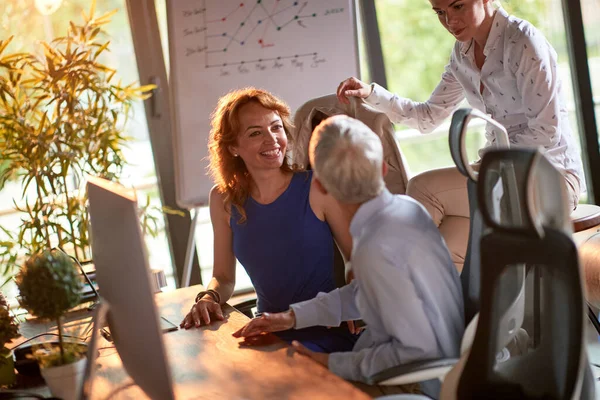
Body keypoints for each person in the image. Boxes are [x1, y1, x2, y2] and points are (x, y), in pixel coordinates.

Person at [337, 0, 584, 269]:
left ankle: (388, 282)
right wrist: (372, 94)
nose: (449, 21)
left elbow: (545, 133)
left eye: (458, 6)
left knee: (423, 189)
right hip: (500, 177)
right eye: (440, 12)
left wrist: (484, 169)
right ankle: (439, 305)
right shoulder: (462, 54)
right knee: (446, 249)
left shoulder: (523, 41)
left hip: (549, 178)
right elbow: (428, 117)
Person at [232, 115, 464, 391]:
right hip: (444, 360)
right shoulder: (408, 208)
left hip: (418, 383)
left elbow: (416, 352)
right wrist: (292, 317)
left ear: (320, 186)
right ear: (382, 169)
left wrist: (329, 362)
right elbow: (368, 292)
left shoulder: (373, 248)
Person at [179, 88, 358, 353]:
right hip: (267, 331)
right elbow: (224, 277)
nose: (272, 139)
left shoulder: (318, 186)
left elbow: (358, 258)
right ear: (233, 148)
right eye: (255, 133)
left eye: (276, 128)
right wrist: (209, 296)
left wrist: (349, 303)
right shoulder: (223, 200)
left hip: (327, 329)